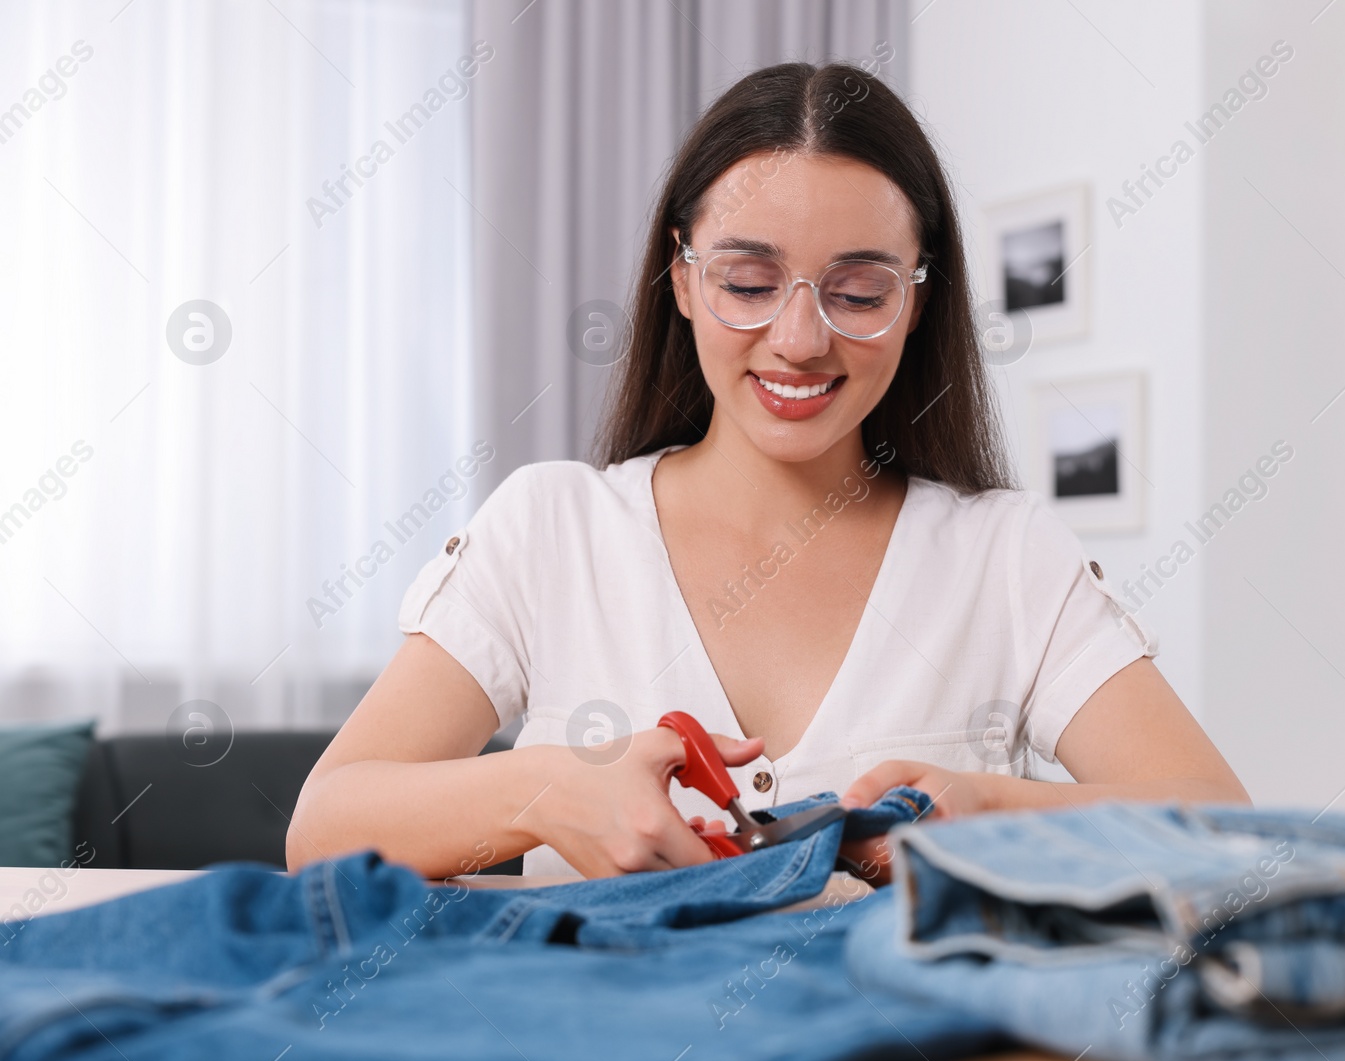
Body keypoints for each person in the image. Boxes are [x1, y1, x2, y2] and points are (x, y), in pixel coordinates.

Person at [286, 61, 1248, 883]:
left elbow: (1219, 827)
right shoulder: (552, 527)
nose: (798, 340)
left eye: (859, 291)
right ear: (683, 280)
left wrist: (995, 807)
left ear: (917, 302)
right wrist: (546, 790)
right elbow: (325, 829)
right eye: (747, 283)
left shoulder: (1004, 553)